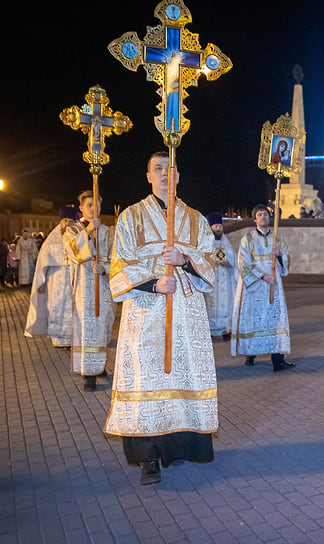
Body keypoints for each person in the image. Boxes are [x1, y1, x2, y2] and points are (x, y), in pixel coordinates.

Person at [106, 151, 218, 486]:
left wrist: (185, 259)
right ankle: (148, 459)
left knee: (185, 376)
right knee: (146, 379)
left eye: (170, 169)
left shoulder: (196, 219)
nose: (165, 174)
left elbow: (210, 262)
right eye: (158, 169)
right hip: (146, 312)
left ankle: (180, 445)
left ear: (179, 176)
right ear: (148, 176)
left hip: (186, 314)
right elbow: (119, 264)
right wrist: (155, 282)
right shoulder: (131, 217)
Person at [231, 204, 293, 371]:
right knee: (255, 321)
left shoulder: (277, 238)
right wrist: (263, 276)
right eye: (259, 214)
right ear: (255, 219)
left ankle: (278, 360)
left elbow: (286, 263)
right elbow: (243, 263)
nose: (263, 217)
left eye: (265, 214)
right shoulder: (248, 239)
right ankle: (251, 354)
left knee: (275, 320)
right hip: (256, 288)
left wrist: (279, 256)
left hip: (274, 286)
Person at [64, 191, 115, 391]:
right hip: (84, 290)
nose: (94, 208)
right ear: (82, 208)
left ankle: (98, 365)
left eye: (97, 204)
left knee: (102, 329)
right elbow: (73, 252)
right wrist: (88, 232)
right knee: (87, 329)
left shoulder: (109, 232)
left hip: (103, 288)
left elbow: (117, 259)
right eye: (89, 205)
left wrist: (105, 269)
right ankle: (88, 373)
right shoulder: (73, 230)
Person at [24, 206, 78, 348]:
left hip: (75, 279)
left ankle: (72, 339)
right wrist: (41, 283)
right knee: (56, 307)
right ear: (60, 221)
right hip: (55, 280)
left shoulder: (79, 236)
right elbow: (43, 261)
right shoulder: (52, 239)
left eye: (71, 221)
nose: (68, 224)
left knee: (73, 309)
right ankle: (58, 340)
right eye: (65, 220)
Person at [203, 212, 237, 340]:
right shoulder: (205, 243)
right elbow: (201, 260)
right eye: (215, 226)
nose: (218, 228)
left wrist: (228, 262)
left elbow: (233, 258)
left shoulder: (226, 242)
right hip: (211, 279)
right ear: (210, 227)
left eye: (220, 226)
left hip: (224, 278)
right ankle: (210, 331)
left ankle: (226, 329)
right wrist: (211, 262)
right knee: (211, 304)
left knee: (225, 303)